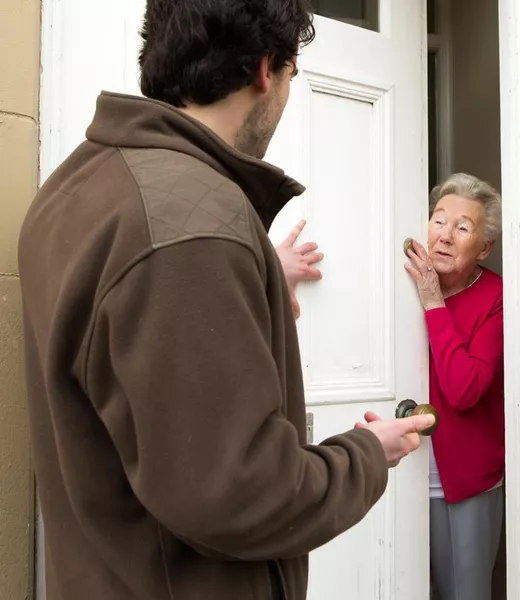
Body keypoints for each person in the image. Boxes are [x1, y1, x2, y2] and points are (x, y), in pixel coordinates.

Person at [16, 1, 434, 599]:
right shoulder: (194, 228)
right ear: (266, 70)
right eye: (292, 76)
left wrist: (254, 277)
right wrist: (367, 454)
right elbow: (242, 493)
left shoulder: (77, 186)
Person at [404, 173, 505, 600]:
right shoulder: (398, 283)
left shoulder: (497, 297)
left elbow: (465, 389)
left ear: (484, 247)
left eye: (462, 228)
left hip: (463, 481)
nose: (444, 236)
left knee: (464, 593)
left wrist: (433, 302)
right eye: (438, 220)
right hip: (400, 469)